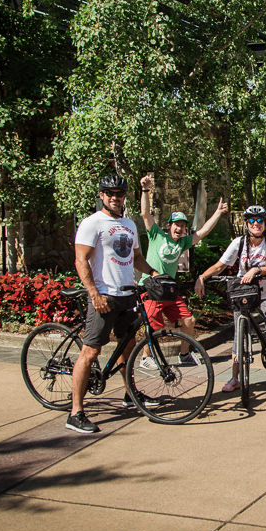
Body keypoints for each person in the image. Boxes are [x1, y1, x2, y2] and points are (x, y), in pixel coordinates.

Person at [69, 174, 160, 434]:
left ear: (124, 196)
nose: (114, 197)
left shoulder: (129, 225)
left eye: (119, 193)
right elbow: (80, 260)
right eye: (109, 192)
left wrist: (153, 273)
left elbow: (136, 258)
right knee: (91, 352)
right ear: (101, 195)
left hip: (126, 295)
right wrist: (94, 294)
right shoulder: (92, 223)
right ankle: (76, 412)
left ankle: (130, 394)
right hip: (103, 296)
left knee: (127, 348)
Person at [194, 205, 266, 395]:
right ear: (247, 223)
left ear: (265, 223)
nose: (256, 224)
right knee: (238, 335)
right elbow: (219, 266)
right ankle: (235, 378)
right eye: (252, 221)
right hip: (244, 293)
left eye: (260, 221)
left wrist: (255, 270)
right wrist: (202, 277)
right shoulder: (239, 243)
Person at [138, 174, 229, 366]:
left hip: (168, 290)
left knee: (188, 321)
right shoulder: (156, 235)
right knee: (154, 325)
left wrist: (218, 213)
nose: (179, 228)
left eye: (183, 225)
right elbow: (145, 214)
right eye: (176, 224)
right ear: (169, 226)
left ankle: (185, 354)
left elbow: (203, 232)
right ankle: (146, 357)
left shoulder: (184, 243)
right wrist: (145, 190)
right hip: (151, 287)